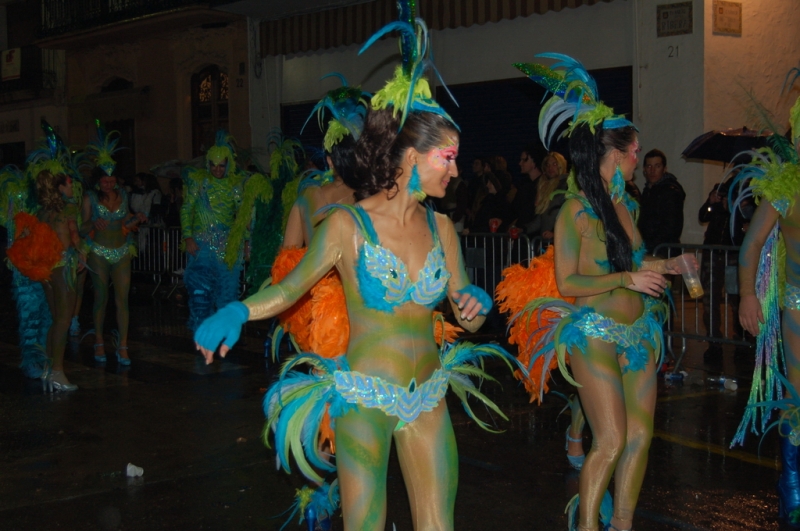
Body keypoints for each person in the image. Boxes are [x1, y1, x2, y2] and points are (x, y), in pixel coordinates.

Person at [195, 8, 516, 529]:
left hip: (430, 394)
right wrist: (238, 309)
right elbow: (290, 288)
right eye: (449, 157)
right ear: (412, 157)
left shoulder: (445, 230)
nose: (456, 170)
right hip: (365, 397)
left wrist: (475, 305)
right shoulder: (347, 226)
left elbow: (469, 316)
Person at [515, 54, 694, 531]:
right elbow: (568, 281)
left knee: (641, 436)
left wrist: (670, 265)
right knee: (611, 440)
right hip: (592, 335)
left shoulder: (626, 206)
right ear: (616, 153)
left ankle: (623, 525)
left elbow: (636, 263)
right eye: (636, 152)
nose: (641, 159)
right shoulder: (573, 211)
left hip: (636, 335)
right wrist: (624, 280)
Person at [729, 84, 800, 525]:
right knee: (799, 401)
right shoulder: (785, 188)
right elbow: (750, 246)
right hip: (798, 309)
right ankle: (792, 490)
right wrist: (749, 295)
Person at [81, 124, 146, 365]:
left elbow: (125, 221)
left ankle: (123, 345)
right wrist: (92, 224)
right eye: (105, 181)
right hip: (98, 251)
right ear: (98, 181)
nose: (109, 184)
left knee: (123, 299)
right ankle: (99, 341)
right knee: (101, 298)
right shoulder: (89, 198)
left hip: (121, 252)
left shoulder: (124, 195)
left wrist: (135, 218)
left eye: (112, 180)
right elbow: (81, 228)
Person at [181, 131, 252, 331]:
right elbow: (187, 209)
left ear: (228, 164)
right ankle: (202, 334)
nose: (217, 169)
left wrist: (246, 242)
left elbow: (243, 216)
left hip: (228, 248)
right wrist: (187, 237)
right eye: (213, 165)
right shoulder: (199, 183)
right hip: (201, 247)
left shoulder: (235, 186)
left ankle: (224, 335)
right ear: (208, 164)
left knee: (227, 293)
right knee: (200, 293)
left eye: (221, 165)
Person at [698, 182, 737, 362]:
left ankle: (742, 336)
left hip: (734, 255)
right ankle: (714, 341)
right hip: (713, 254)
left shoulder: (747, 192)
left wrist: (735, 206)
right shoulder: (720, 191)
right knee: (710, 300)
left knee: (736, 298)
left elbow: (745, 226)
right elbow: (703, 215)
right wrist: (711, 200)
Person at [637, 149, 685, 256]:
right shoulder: (648, 190)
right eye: (649, 166)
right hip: (654, 249)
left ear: (664, 169)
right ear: (644, 169)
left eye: (657, 166)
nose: (653, 170)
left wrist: (649, 245)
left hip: (663, 251)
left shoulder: (670, 192)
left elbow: (671, 227)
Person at [523, 151, 568, 241]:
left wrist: (555, 232)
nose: (550, 168)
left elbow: (567, 213)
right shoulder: (547, 186)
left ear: (561, 165)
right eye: (548, 165)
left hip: (561, 240)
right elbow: (541, 218)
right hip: (547, 240)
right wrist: (523, 229)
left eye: (554, 164)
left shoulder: (567, 185)